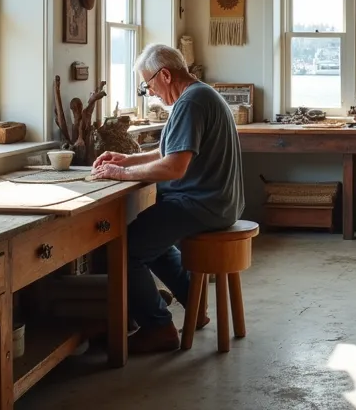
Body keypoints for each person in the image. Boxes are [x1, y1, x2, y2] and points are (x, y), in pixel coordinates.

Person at [91, 43, 245, 353]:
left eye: (148, 85)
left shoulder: (191, 103)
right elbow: (169, 152)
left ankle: (158, 328)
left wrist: (121, 174)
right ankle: (193, 304)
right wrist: (126, 159)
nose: (150, 92)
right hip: (217, 201)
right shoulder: (199, 95)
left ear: (165, 75)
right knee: (149, 239)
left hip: (203, 203)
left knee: (124, 248)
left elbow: (174, 167)